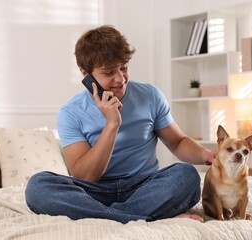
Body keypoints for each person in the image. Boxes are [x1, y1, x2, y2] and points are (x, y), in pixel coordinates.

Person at [25, 25, 216, 224]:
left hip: (144, 187)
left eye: (124, 67)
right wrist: (111, 125)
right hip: (95, 191)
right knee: (38, 186)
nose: (120, 79)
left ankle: (107, 215)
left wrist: (205, 155)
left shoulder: (150, 96)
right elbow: (85, 176)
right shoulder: (71, 113)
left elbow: (177, 142)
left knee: (186, 176)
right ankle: (144, 215)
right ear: (85, 74)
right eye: (108, 72)